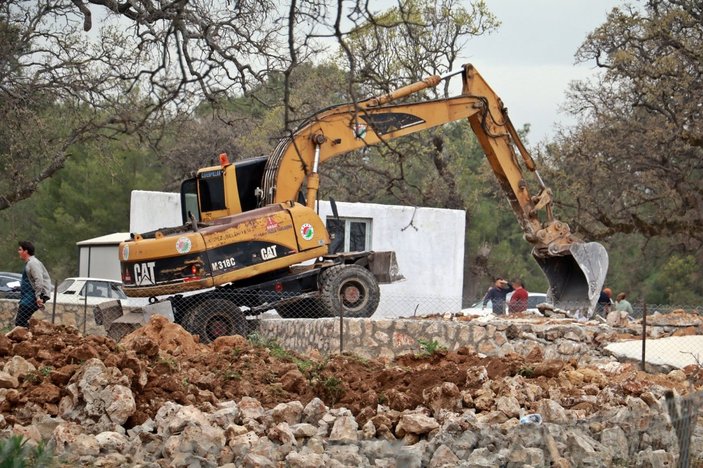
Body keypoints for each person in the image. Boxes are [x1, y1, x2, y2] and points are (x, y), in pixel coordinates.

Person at [15, 241, 52, 328]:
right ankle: (30, 335)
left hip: (33, 297)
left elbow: (39, 280)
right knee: (21, 321)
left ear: (26, 251)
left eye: (20, 249)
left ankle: (30, 336)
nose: (18, 251)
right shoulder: (30, 263)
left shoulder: (33, 263)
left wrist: (38, 297)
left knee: (20, 321)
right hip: (28, 297)